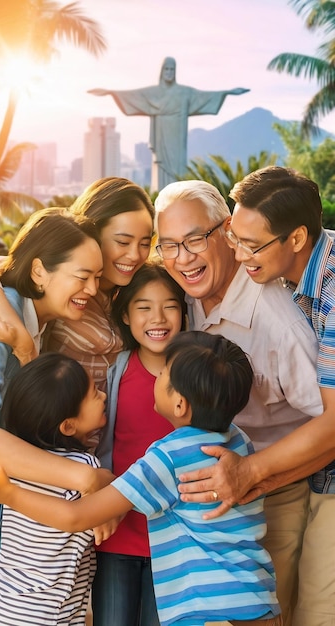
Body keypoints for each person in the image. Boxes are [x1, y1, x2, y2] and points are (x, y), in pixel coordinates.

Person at [0, 331, 282, 626]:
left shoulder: (168, 457)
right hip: (256, 598)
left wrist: (9, 494)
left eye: (163, 372)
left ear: (179, 404)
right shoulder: (239, 442)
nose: (157, 376)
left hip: (205, 607)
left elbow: (75, 516)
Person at [153, 179, 322, 626]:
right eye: (168, 245)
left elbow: (330, 423)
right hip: (209, 498)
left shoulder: (278, 319)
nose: (182, 257)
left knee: (271, 613)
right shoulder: (180, 297)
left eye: (194, 239)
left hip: (277, 489)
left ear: (226, 232)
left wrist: (255, 476)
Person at [0, 207, 114, 584]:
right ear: (39, 271)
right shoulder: (0, 317)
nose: (91, 288)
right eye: (83, 276)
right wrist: (86, 480)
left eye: (97, 278)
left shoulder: (37, 325)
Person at [0, 177, 155, 390]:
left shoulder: (138, 286)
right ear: (92, 234)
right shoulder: (56, 285)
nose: (134, 255)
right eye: (123, 242)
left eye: (145, 243)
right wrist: (21, 340)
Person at [0, 352, 107, 626]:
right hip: (47, 612)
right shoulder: (85, 465)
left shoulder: (15, 467)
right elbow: (102, 511)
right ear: (68, 425)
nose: (103, 396)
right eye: (94, 393)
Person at [93, 262, 186, 626]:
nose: (158, 317)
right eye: (144, 307)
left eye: (170, 305)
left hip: (173, 540)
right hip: (118, 533)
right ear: (127, 316)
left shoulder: (192, 376)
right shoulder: (115, 369)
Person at [89, 57, 249, 191]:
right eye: (166, 69)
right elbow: (134, 96)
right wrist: (112, 92)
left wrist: (226, 93)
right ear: (162, 71)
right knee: (161, 169)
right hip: (161, 135)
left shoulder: (184, 92)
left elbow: (203, 97)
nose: (169, 73)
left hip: (177, 137)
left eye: (172, 69)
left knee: (178, 171)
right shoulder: (153, 92)